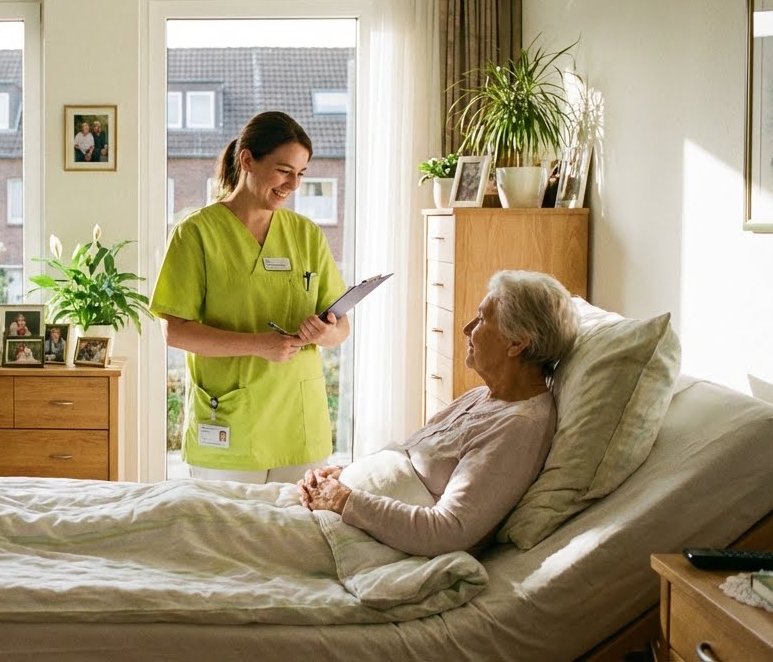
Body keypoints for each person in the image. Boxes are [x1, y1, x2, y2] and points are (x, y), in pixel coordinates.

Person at [299, 270, 579, 556]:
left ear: (517, 343)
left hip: (351, 535)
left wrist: (343, 499)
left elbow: (448, 531)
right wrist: (342, 476)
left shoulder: (519, 427)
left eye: (482, 319)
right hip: (337, 515)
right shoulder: (483, 397)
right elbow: (408, 456)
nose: (467, 328)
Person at [152, 111, 350, 483]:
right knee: (225, 535)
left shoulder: (307, 235)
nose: (293, 184)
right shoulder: (195, 234)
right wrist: (259, 345)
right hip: (230, 419)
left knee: (296, 535)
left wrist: (325, 334)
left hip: (298, 422)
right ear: (247, 160)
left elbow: (342, 328)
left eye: (301, 174)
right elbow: (175, 331)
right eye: (283, 170)